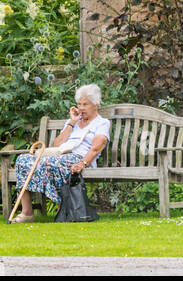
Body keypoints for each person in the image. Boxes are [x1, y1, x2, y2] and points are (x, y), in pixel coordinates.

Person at [11, 83, 110, 222]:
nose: (81, 108)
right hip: (61, 155)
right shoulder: (73, 122)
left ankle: (63, 207)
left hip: (79, 157)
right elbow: (57, 144)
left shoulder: (102, 123)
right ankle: (27, 213)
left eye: (85, 104)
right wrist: (71, 123)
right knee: (23, 159)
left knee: (51, 162)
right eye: (79, 104)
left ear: (96, 105)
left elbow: (96, 147)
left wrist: (82, 163)